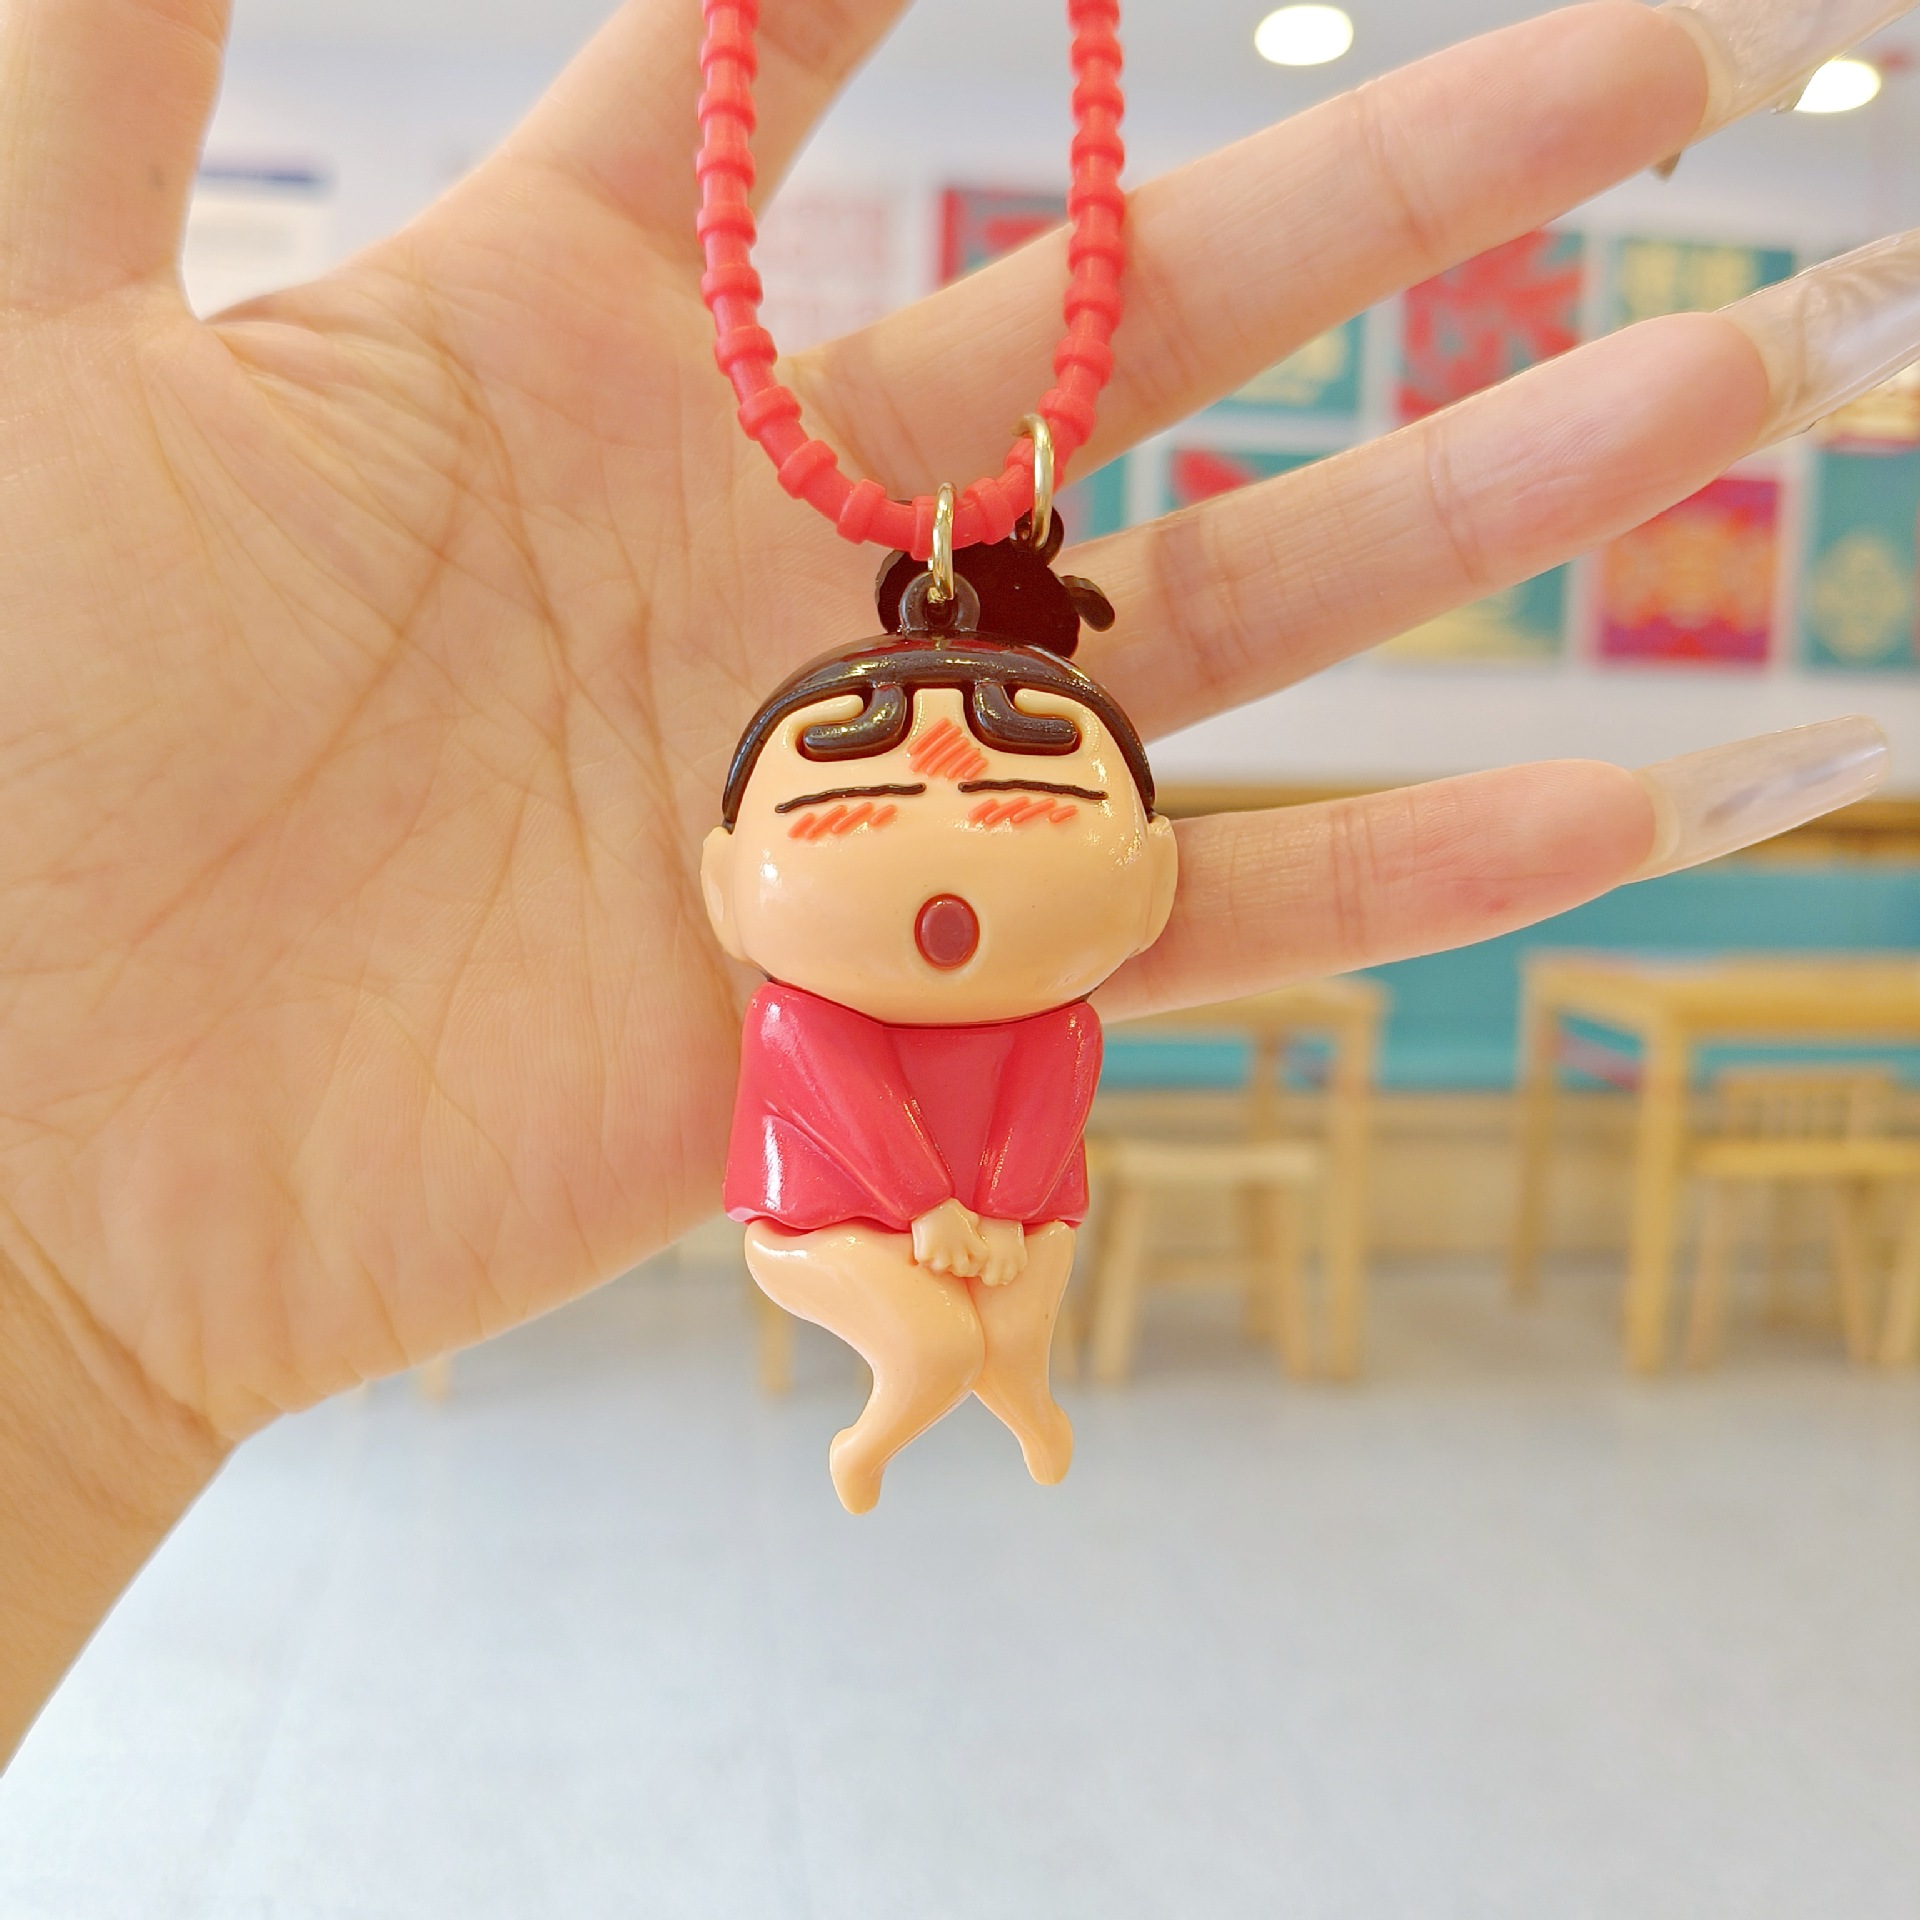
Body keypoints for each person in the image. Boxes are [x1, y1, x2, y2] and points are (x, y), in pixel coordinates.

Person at [0, 0, 1905, 1763]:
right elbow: (827, 1108)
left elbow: (1044, 1118)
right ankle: (925, 1372)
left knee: (1027, 1271)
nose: (942, 807)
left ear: (1143, 879)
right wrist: (933, 1215)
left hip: (982, 1211)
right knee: (885, 1293)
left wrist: (999, 1220)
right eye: (856, 786)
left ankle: (999, 1364)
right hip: (826, 1218)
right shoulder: (795, 1015)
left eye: (1021, 785)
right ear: (729, 884)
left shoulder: (1055, 1012)